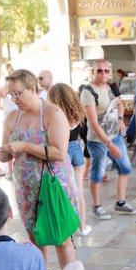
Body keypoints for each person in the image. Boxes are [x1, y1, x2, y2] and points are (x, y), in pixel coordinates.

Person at [0, 69, 79, 270]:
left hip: (53, 186)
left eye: (18, 93)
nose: (14, 98)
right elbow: (7, 154)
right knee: (35, 238)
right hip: (26, 190)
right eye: (11, 94)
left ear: (33, 89)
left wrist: (25, 147)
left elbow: (59, 152)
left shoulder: (53, 113)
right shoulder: (12, 117)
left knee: (61, 237)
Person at [81, 60, 136, 220]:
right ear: (93, 72)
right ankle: (96, 206)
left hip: (115, 135)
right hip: (98, 140)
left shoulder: (110, 87)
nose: (103, 74)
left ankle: (120, 202)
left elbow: (120, 104)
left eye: (106, 71)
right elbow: (93, 122)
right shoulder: (88, 92)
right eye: (99, 71)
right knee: (98, 173)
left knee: (125, 168)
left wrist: (121, 119)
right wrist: (108, 144)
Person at [48, 83, 93, 237]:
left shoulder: (55, 116)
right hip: (77, 151)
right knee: (79, 190)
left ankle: (66, 226)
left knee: (64, 192)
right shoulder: (77, 113)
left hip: (63, 152)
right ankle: (82, 227)